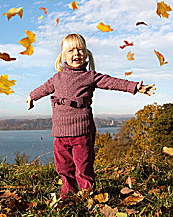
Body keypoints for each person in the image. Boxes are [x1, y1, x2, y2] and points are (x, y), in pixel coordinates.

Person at [27, 33, 155, 199]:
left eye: (80, 50)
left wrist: (135, 87)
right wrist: (31, 97)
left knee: (83, 166)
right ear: (63, 56)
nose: (76, 54)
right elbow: (43, 89)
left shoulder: (90, 76)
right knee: (64, 168)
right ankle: (68, 194)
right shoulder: (56, 78)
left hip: (82, 132)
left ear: (86, 54)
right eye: (71, 50)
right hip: (60, 134)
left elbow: (112, 82)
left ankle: (87, 195)